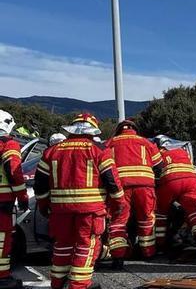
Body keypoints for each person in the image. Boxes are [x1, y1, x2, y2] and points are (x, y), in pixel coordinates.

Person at [35, 113, 124, 289]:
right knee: (86, 247)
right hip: (90, 212)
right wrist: (119, 205)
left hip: (60, 212)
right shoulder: (99, 150)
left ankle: (58, 283)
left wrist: (44, 206)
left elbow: (40, 185)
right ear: (92, 131)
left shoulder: (51, 151)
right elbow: (112, 182)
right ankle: (79, 285)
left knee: (62, 247)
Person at [105, 119, 163, 265]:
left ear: (118, 130)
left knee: (118, 221)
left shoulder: (110, 143)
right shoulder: (146, 142)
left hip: (120, 187)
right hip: (145, 186)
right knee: (146, 219)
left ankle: (118, 256)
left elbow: (103, 167)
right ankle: (148, 253)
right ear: (135, 129)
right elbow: (159, 165)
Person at [153, 135, 196, 252]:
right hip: (192, 180)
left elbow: (155, 170)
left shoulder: (158, 153)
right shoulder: (181, 151)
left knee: (161, 212)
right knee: (194, 210)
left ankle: (160, 243)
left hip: (170, 181)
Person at [0, 110, 28, 289]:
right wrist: (22, 197)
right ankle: (2, 277)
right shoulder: (9, 145)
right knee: (2, 240)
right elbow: (14, 173)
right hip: (2, 201)